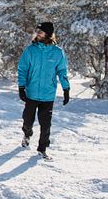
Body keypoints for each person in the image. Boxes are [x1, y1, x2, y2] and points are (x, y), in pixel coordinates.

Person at [17, 21, 70, 160]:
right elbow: (22, 69)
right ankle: (27, 134)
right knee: (28, 120)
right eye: (37, 31)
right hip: (32, 93)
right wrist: (21, 87)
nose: (37, 33)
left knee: (46, 124)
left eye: (40, 31)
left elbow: (62, 71)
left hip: (48, 95)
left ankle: (42, 149)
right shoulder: (31, 50)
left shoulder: (57, 52)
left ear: (48, 34)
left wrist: (66, 89)